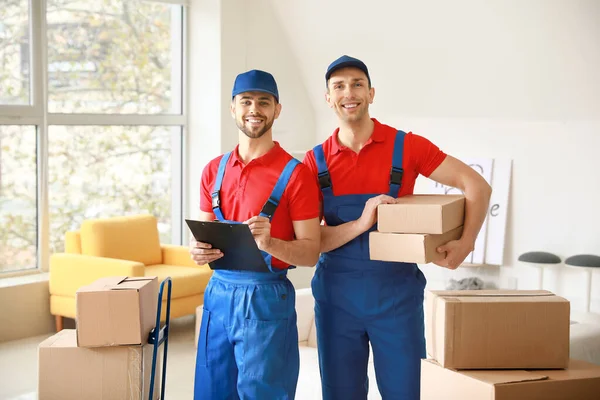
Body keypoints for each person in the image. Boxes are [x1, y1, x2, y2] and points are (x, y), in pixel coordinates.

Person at [302, 55, 492, 400]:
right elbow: (311, 241)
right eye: (339, 86)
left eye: (357, 84)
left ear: (371, 93)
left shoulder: (407, 146)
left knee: (405, 392)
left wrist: (466, 243)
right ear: (328, 98)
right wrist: (362, 222)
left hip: (396, 296)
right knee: (340, 394)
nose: (349, 92)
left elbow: (477, 186)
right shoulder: (314, 162)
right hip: (336, 299)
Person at [190, 69, 321, 400]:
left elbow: (310, 254)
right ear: (232, 108)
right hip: (217, 295)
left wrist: (270, 242)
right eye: (246, 101)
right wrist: (197, 251)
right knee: (210, 392)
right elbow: (205, 237)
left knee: (264, 394)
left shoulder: (297, 175)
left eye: (264, 102)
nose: (254, 109)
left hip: (265, 299)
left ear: (277, 110)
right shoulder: (213, 170)